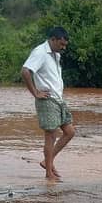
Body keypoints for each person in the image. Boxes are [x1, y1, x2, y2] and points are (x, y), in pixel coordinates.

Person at [21, 27, 75, 182]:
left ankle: (47, 162)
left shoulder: (55, 54)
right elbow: (25, 71)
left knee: (70, 132)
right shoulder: (40, 52)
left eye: (65, 45)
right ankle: (49, 174)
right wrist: (35, 93)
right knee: (50, 136)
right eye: (61, 44)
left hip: (58, 99)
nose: (63, 48)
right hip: (47, 100)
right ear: (53, 39)